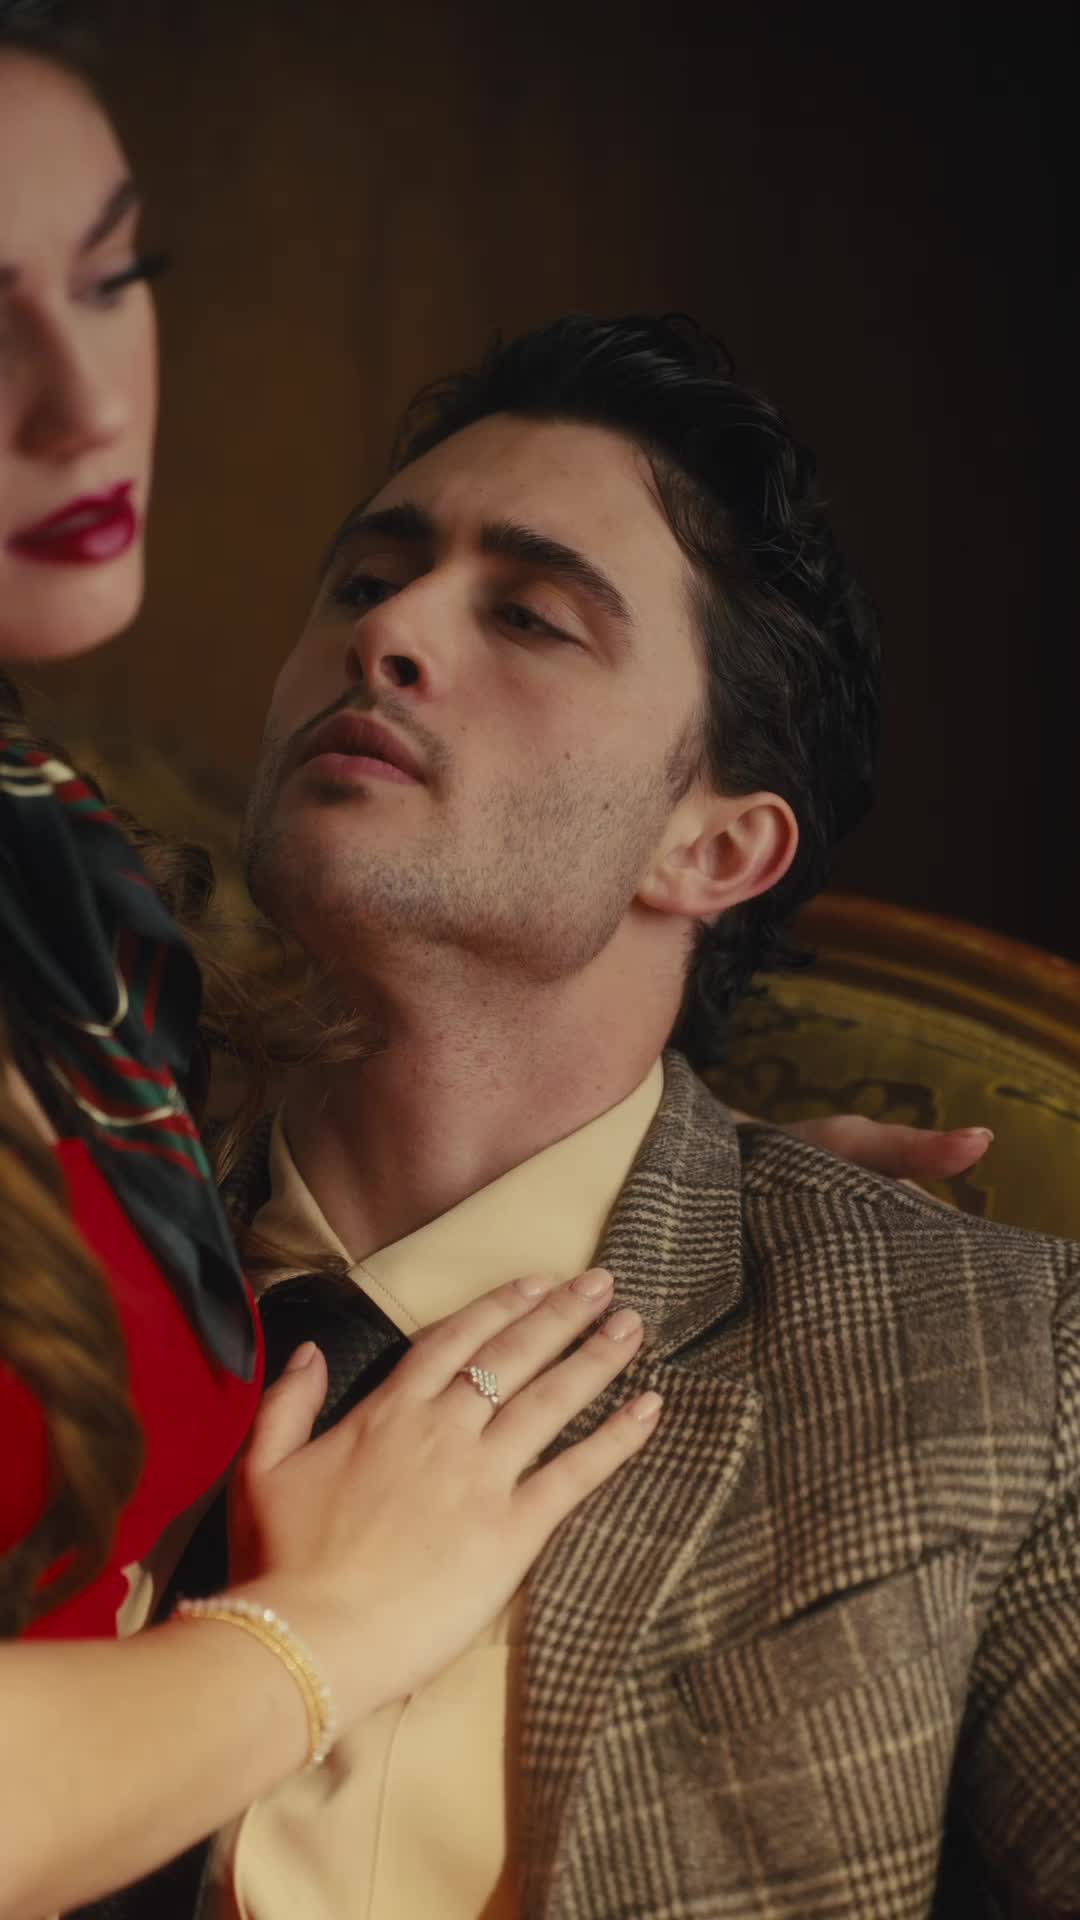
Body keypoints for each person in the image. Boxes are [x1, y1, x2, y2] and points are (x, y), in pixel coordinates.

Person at [117, 313, 1074, 1920]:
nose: (389, 628)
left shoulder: (988, 1361)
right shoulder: (58, 1222)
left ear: (713, 850)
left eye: (532, 617)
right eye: (366, 579)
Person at [0, 22, 671, 1918]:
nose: (86, 404)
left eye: (115, 277)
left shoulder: (65, 873)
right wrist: (328, 1632)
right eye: (366, 581)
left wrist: (697, 1173)